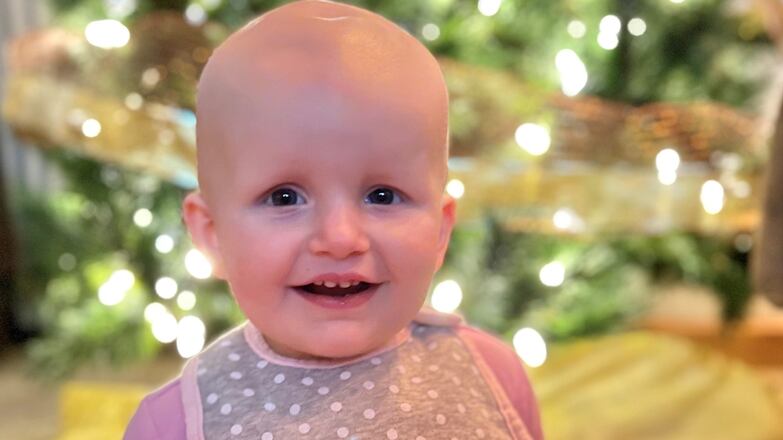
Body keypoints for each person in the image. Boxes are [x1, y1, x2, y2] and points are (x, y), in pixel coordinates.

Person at [124, 1, 543, 438]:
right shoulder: (178, 424)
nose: (340, 238)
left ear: (440, 229)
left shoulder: (491, 375)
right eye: (284, 197)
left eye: (383, 195)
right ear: (212, 235)